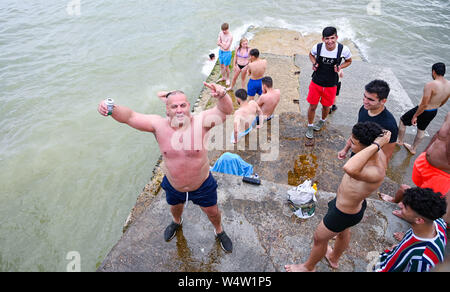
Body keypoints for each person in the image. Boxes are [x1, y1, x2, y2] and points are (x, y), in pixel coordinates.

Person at [97, 82, 234, 253]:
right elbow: (130, 116)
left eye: (183, 105)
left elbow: (225, 111)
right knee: (175, 207)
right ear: (167, 110)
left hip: (202, 184)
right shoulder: (158, 125)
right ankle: (177, 222)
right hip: (174, 184)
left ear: (189, 106)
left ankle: (219, 230)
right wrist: (111, 108)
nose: (179, 110)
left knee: (213, 212)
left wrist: (222, 95)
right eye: (174, 106)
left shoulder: (202, 121)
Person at [285, 122, 390, 272]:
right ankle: (334, 258)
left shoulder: (376, 170)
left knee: (319, 238)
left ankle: (308, 268)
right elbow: (381, 133)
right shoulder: (372, 150)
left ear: (369, 147)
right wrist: (348, 148)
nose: (349, 143)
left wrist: (376, 145)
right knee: (343, 231)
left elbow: (349, 168)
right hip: (349, 205)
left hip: (344, 213)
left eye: (353, 143)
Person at [380, 112, 450, 225]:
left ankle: (410, 219)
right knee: (414, 192)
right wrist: (425, 152)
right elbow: (439, 135)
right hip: (426, 164)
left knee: (421, 203)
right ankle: (398, 203)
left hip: (441, 176)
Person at [374, 187, 447, 272]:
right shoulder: (437, 222)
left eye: (405, 207)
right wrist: (402, 245)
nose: (400, 205)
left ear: (419, 220)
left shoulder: (422, 261)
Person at [305, 26, 352, 139]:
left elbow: (349, 61)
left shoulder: (343, 49)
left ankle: (322, 121)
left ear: (336, 37)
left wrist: (340, 66)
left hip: (331, 84)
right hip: (316, 82)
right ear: (323, 39)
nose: (330, 41)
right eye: (327, 38)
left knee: (326, 107)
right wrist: (314, 62)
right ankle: (310, 126)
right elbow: (311, 54)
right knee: (312, 106)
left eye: (332, 38)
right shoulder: (318, 47)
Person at [338, 79, 398, 162]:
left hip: (370, 162)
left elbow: (386, 155)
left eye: (370, 99)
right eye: (364, 96)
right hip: (355, 154)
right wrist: (345, 149)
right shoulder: (364, 109)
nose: (365, 101)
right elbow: (355, 133)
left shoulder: (389, 125)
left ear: (383, 101)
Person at [397, 62, 450, 155]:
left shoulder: (431, 85)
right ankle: (413, 149)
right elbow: (444, 101)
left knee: (402, 121)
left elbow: (424, 104)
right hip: (434, 111)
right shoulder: (449, 84)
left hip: (423, 110)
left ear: (433, 72)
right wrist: (436, 106)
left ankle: (400, 141)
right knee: (421, 129)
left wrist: (415, 116)